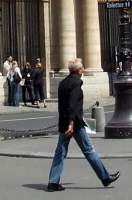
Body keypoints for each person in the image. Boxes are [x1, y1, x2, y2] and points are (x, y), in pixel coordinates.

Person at [46, 58, 119, 191]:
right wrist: (71, 124)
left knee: (60, 153)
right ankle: (105, 177)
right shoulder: (76, 84)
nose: (83, 70)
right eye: (82, 68)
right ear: (79, 71)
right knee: (89, 150)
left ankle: (53, 181)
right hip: (74, 125)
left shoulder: (63, 83)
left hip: (63, 121)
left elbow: (63, 105)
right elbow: (72, 106)